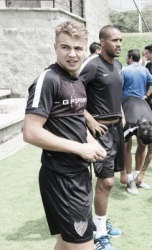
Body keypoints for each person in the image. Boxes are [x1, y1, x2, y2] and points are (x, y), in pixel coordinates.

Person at [23, 21, 107, 250]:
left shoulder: (77, 79)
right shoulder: (48, 79)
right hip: (62, 179)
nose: (72, 54)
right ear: (55, 47)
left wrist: (91, 143)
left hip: (78, 174)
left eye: (78, 48)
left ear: (86, 50)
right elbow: (30, 132)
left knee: (64, 243)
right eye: (65, 47)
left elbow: (76, 118)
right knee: (83, 246)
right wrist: (80, 148)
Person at [80, 25, 125, 250]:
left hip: (117, 130)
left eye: (120, 40)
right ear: (102, 42)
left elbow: (115, 94)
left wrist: (122, 116)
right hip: (101, 132)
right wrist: (89, 120)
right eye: (114, 40)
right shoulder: (92, 64)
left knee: (108, 183)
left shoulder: (117, 65)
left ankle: (101, 222)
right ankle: (98, 235)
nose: (118, 44)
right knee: (106, 181)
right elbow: (72, 93)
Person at [119, 49, 152, 194]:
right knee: (129, 145)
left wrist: (142, 173)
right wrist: (146, 95)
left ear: (129, 57)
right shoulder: (143, 69)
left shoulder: (124, 70)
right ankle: (129, 180)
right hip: (134, 107)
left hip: (133, 108)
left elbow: (117, 89)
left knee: (135, 145)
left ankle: (135, 176)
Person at [120, 96, 152, 195]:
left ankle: (137, 176)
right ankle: (130, 179)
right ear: (138, 135)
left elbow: (151, 151)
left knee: (142, 147)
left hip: (141, 105)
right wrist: (122, 173)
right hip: (124, 106)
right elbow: (121, 151)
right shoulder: (129, 127)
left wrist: (142, 173)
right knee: (127, 148)